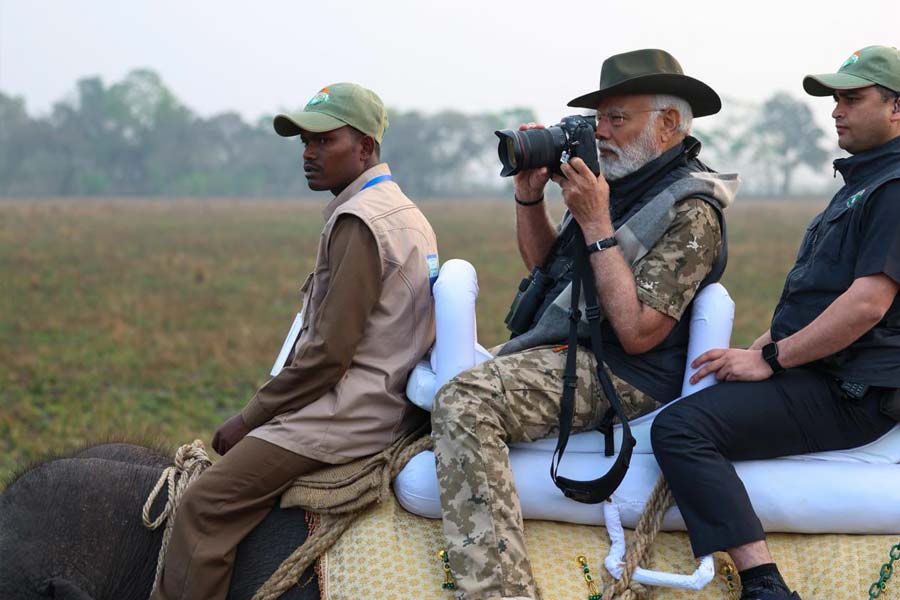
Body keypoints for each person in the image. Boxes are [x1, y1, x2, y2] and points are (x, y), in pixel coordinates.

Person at [432, 49, 737, 600]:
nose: (602, 132)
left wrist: (597, 220)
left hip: (626, 370)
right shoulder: (612, 182)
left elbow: (640, 332)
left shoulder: (693, 208)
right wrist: (530, 196)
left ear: (668, 122)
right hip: (571, 349)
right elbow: (549, 270)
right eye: (599, 119)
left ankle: (498, 593)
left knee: (466, 400)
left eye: (617, 118)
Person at [152, 82, 439, 600]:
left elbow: (327, 357)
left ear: (365, 147)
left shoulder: (360, 222)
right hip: (382, 399)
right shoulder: (403, 211)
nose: (309, 154)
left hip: (350, 412)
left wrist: (250, 418)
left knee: (203, 505)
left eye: (324, 141)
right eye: (304, 141)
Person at [651, 45, 900, 600]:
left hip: (853, 390)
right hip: (825, 373)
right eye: (835, 99)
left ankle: (764, 586)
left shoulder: (894, 189)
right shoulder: (865, 185)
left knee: (681, 429)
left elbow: (867, 305)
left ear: (896, 108)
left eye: (853, 99)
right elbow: (819, 300)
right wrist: (755, 349)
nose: (837, 110)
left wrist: (770, 359)